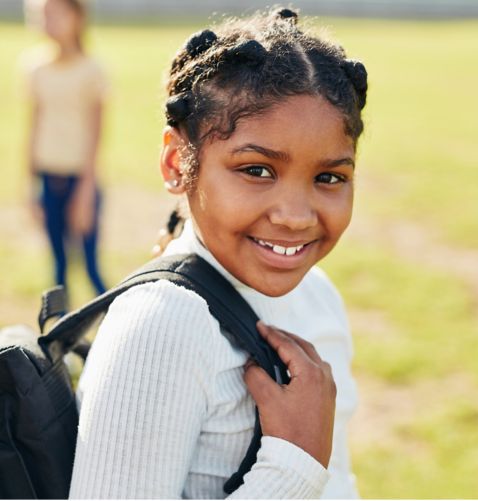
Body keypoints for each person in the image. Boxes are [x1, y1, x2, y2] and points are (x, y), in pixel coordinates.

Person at [69, 7, 368, 499]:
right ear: (176, 163)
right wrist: (293, 465)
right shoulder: (162, 325)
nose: (295, 216)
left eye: (329, 178)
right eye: (256, 170)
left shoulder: (318, 295)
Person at [23, 0, 107, 295]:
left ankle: (118, 327)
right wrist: (30, 186)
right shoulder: (35, 68)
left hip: (80, 180)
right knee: (58, 268)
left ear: (77, 17)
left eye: (56, 14)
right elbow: (32, 126)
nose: (49, 23)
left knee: (90, 267)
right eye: (43, 16)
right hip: (48, 178)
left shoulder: (92, 70)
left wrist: (86, 190)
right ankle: (59, 337)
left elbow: (97, 133)